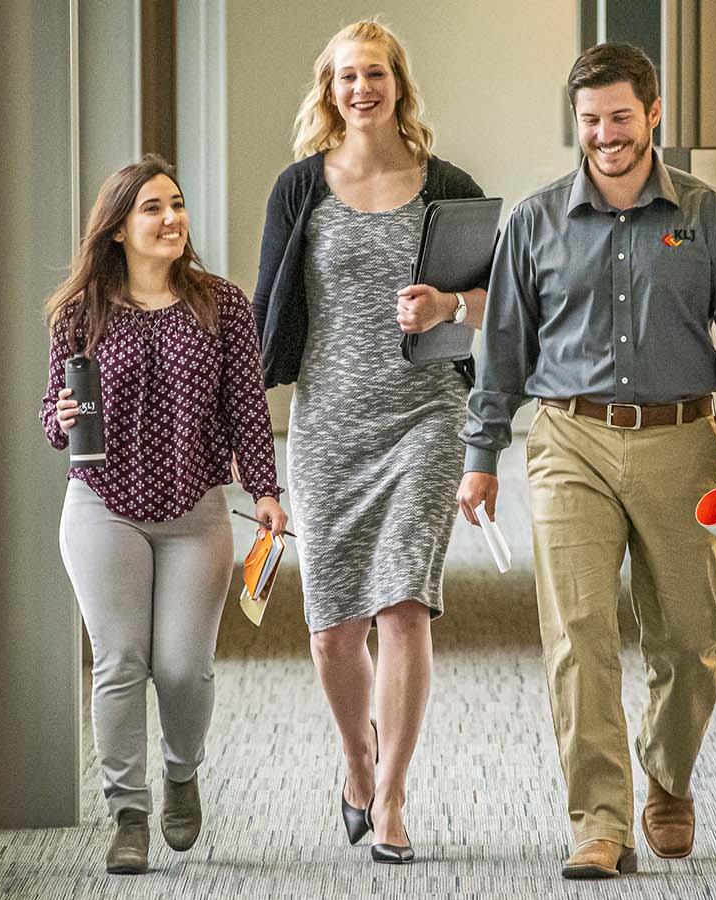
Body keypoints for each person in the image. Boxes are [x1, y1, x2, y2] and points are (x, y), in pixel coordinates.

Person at [457, 42, 716, 880]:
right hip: (569, 440)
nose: (605, 136)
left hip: (683, 440)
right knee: (579, 635)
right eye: (590, 121)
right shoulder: (536, 224)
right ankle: (599, 822)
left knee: (690, 634)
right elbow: (503, 349)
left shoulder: (711, 217)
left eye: (620, 118)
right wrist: (482, 453)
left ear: (654, 114)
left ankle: (667, 775)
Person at [250, 19, 488, 865]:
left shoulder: (446, 184)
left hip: (423, 416)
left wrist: (449, 309)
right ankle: (357, 759)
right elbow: (265, 311)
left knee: (404, 605)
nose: (362, 89)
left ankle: (390, 800)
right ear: (330, 88)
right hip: (328, 426)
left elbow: (501, 301)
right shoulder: (300, 188)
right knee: (331, 630)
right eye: (348, 76)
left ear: (399, 84)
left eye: (376, 74)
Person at [41, 154, 288, 875]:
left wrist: (265, 491)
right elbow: (55, 427)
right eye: (153, 208)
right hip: (101, 506)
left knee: (182, 667)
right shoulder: (77, 312)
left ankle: (182, 773)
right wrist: (60, 416)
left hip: (194, 507)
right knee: (120, 660)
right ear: (117, 227)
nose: (172, 218)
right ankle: (129, 812)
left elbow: (247, 406)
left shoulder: (222, 304)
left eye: (176, 205)